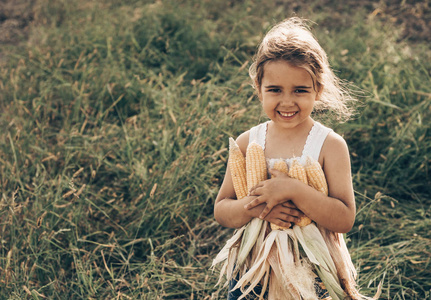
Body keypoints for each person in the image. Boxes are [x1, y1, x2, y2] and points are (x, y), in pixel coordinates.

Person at [214, 17, 357, 299]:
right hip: (254, 268)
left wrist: (293, 189)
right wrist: (253, 207)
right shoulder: (248, 142)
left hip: (312, 269)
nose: (287, 101)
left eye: (300, 90)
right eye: (275, 90)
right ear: (259, 89)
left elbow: (344, 219)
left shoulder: (329, 146)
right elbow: (221, 209)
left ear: (319, 90)